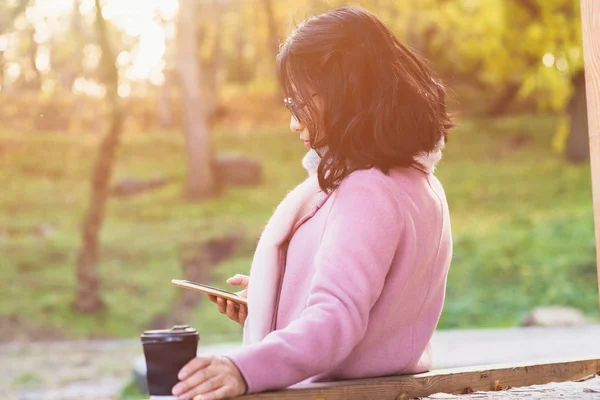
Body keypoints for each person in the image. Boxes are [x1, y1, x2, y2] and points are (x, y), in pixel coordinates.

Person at [172, 6, 453, 400]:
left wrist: (242, 369)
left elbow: (335, 320)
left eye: (300, 103)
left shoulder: (369, 191)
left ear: (347, 94)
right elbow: (378, 307)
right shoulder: (418, 183)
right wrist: (273, 296)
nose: (294, 122)